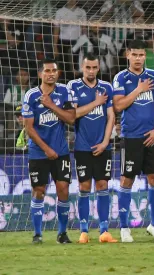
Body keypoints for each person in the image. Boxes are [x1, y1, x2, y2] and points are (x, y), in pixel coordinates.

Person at [112, 39, 154, 242]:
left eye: (141, 55)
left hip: (153, 136)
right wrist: (138, 89)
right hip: (131, 137)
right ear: (127, 55)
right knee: (127, 179)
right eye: (134, 54)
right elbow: (118, 106)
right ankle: (125, 228)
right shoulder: (121, 78)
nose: (138, 58)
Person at [23, 59, 76, 244]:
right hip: (39, 152)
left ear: (58, 73)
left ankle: (62, 234)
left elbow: (71, 118)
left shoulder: (65, 92)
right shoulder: (30, 96)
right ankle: (37, 234)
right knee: (39, 190)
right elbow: (29, 128)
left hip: (60, 151)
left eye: (54, 70)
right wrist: (46, 149)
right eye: (47, 71)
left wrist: (51, 105)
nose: (51, 73)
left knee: (64, 189)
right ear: (40, 74)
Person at [68, 53, 117, 243]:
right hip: (82, 146)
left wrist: (105, 142)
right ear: (82, 67)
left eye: (94, 67)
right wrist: (96, 103)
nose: (91, 71)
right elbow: (72, 115)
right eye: (88, 67)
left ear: (98, 68)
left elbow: (111, 116)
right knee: (84, 186)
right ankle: (83, 231)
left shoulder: (106, 87)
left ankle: (104, 230)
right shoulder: (73, 86)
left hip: (102, 146)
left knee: (103, 185)